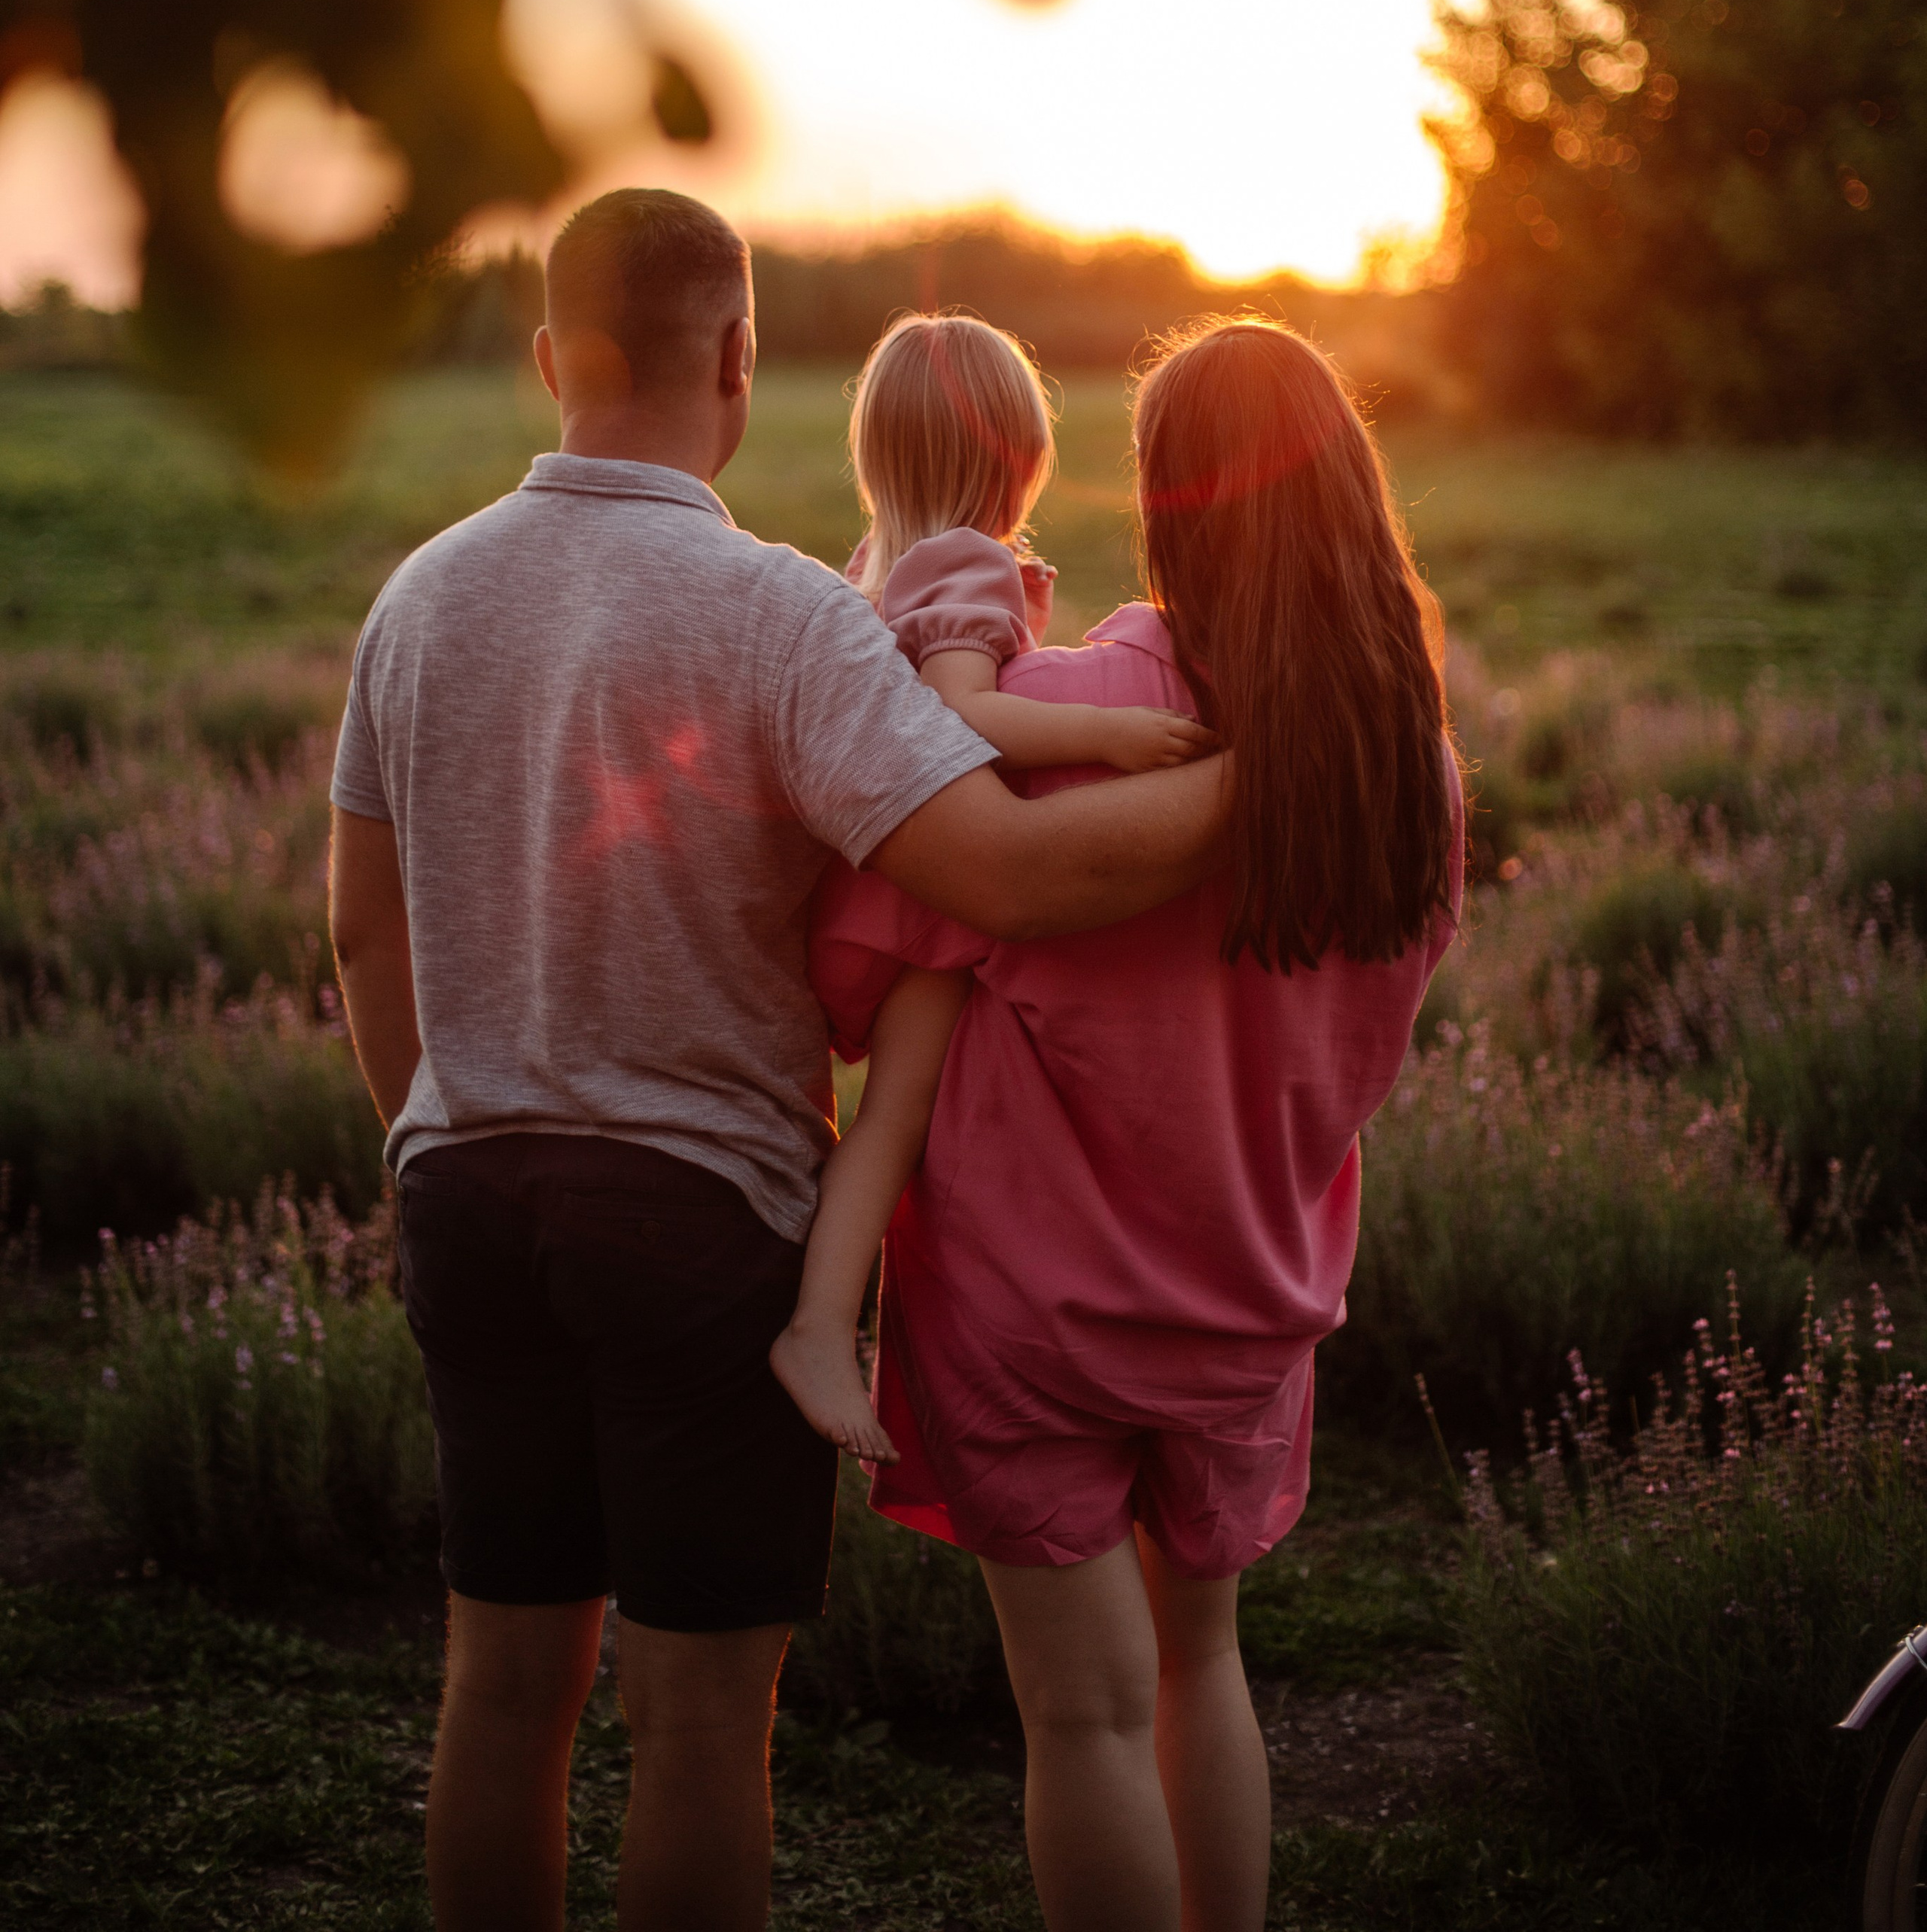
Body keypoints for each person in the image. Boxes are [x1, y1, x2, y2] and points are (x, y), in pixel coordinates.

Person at [325, 190, 1229, 1932]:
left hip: (465, 1185)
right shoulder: (775, 617)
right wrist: (1269, 779)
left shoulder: (417, 598)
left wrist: (435, 1142)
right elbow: (1009, 875)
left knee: (501, 1693)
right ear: (739, 359)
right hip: (698, 1218)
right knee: (693, 1724)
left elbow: (368, 937)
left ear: (544, 359)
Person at [808, 319, 1464, 1932]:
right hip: (1247, 1295)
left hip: (1027, 1301)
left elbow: (857, 954)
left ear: (1169, 502)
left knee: (1081, 1716)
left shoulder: (1067, 704)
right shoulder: (1411, 771)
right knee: (1205, 1664)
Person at [770, 312, 1215, 1460]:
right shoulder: (964, 561)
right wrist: (1108, 742)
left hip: (879, 878)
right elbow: (962, 714)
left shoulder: (875, 563)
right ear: (1020, 455)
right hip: (927, 897)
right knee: (898, 1119)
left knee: (887, 1116)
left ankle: (827, 1312)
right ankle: (821, 1327)